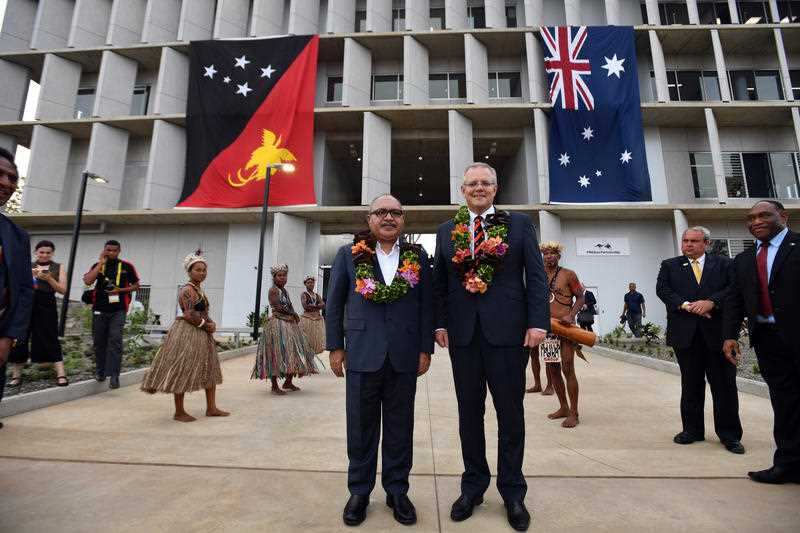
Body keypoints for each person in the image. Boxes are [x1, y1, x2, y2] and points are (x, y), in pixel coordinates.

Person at [433, 163, 549, 532]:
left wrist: (538, 322)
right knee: (469, 414)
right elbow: (439, 283)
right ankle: (473, 487)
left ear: (496, 189)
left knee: (510, 414)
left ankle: (513, 491)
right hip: (463, 336)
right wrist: (439, 322)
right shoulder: (446, 231)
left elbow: (536, 274)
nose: (479, 188)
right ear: (462, 190)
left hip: (508, 334)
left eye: (486, 183)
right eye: (472, 183)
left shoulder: (518, 225)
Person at [325, 194, 434, 527]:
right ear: (369, 219)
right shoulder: (348, 255)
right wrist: (335, 346)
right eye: (381, 212)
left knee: (401, 428)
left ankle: (397, 490)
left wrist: (424, 347)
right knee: (360, 428)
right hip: (361, 352)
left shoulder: (417, 256)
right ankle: (359, 491)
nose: (389, 217)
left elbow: (425, 305)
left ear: (403, 220)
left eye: (395, 213)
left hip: (404, 355)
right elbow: (335, 303)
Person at [723, 201, 800, 484]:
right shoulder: (743, 260)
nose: (755, 221)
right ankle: (788, 465)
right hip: (768, 341)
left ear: (783, 216)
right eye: (750, 217)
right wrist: (730, 335)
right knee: (785, 404)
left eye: (763, 215)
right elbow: (734, 300)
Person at [656, 227, 743, 454]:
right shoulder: (670, 265)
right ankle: (692, 430)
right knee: (691, 384)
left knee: (724, 386)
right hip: (686, 335)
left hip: (718, 335)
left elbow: (734, 289)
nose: (688, 245)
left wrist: (712, 302)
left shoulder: (725, 264)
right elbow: (663, 290)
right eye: (685, 240)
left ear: (707, 243)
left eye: (694, 241)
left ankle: (730, 435)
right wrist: (688, 306)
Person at [141, 253, 228, 421]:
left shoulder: (199, 290)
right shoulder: (187, 290)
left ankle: (211, 407)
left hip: (202, 334)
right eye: (198, 270)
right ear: (189, 272)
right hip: (187, 332)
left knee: (210, 368)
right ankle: (179, 411)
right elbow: (189, 314)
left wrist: (211, 324)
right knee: (182, 368)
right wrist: (205, 325)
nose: (202, 273)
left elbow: (202, 312)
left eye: (204, 270)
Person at [0, 146, 34, 430]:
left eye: (12, 178)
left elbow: (23, 291)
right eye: (0, 175)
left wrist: (9, 336)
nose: (6, 183)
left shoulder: (17, 237)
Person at [536, 242, 585, 429]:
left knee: (567, 366)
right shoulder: (537, 275)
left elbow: (581, 297)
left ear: (559, 256)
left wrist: (571, 315)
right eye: (546, 253)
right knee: (553, 369)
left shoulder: (568, 274)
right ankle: (563, 407)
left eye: (553, 253)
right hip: (547, 329)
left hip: (565, 329)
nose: (549, 256)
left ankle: (574, 412)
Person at [8, 240, 69, 387]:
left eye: (48, 252)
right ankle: (16, 376)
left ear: (52, 253)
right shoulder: (27, 266)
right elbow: (15, 285)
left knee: (50, 337)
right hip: (26, 305)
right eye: (42, 252)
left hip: (46, 304)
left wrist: (49, 279)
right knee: (20, 337)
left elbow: (62, 290)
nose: (44, 255)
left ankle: (61, 374)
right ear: (36, 252)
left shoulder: (58, 267)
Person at [251, 264, 317, 394]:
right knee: (276, 353)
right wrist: (293, 314)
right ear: (274, 277)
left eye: (284, 275)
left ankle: (288, 381)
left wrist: (294, 315)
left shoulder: (284, 291)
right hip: (278, 324)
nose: (282, 278)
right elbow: (278, 306)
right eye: (279, 275)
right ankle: (274, 385)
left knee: (294, 352)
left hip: (289, 324)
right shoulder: (273, 290)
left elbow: (289, 305)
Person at [82, 240, 140, 389]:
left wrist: (119, 291)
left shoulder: (127, 266)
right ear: (104, 250)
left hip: (118, 310)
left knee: (115, 340)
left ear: (119, 251)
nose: (111, 253)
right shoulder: (98, 265)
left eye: (114, 250)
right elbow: (88, 281)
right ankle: (100, 372)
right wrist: (101, 263)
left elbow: (136, 286)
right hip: (99, 308)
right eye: (108, 250)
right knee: (99, 341)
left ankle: (114, 376)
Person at [299, 275, 326, 354]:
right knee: (307, 342)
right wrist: (318, 306)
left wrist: (313, 306)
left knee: (316, 344)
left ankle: (312, 360)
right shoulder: (304, 294)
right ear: (305, 284)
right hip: (307, 320)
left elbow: (323, 305)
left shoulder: (317, 295)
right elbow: (306, 306)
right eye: (308, 282)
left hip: (317, 321)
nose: (310, 284)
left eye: (312, 282)